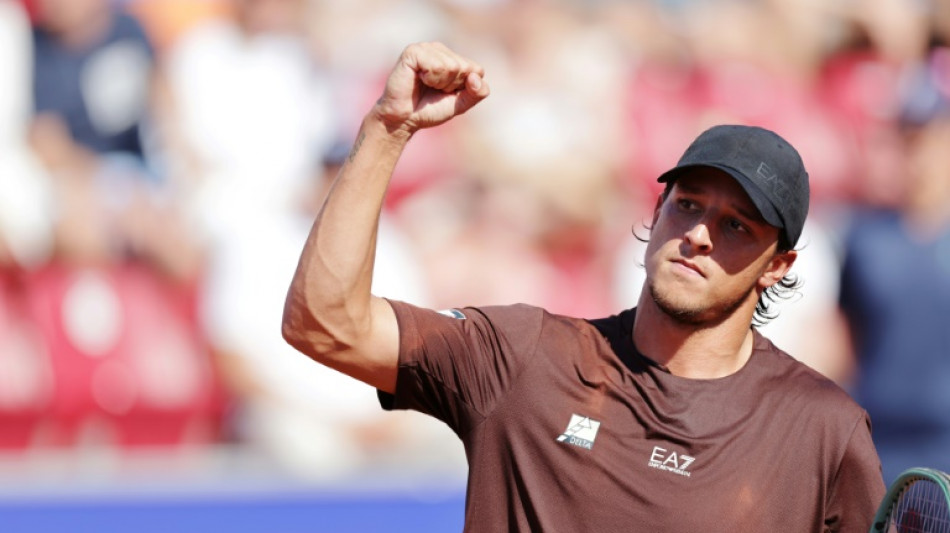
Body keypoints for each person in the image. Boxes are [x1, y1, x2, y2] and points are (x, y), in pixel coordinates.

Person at [282, 42, 885, 532]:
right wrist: (389, 129)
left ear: (778, 265)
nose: (698, 234)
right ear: (658, 210)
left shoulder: (821, 429)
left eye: (735, 226)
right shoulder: (522, 356)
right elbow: (323, 322)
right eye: (688, 204)